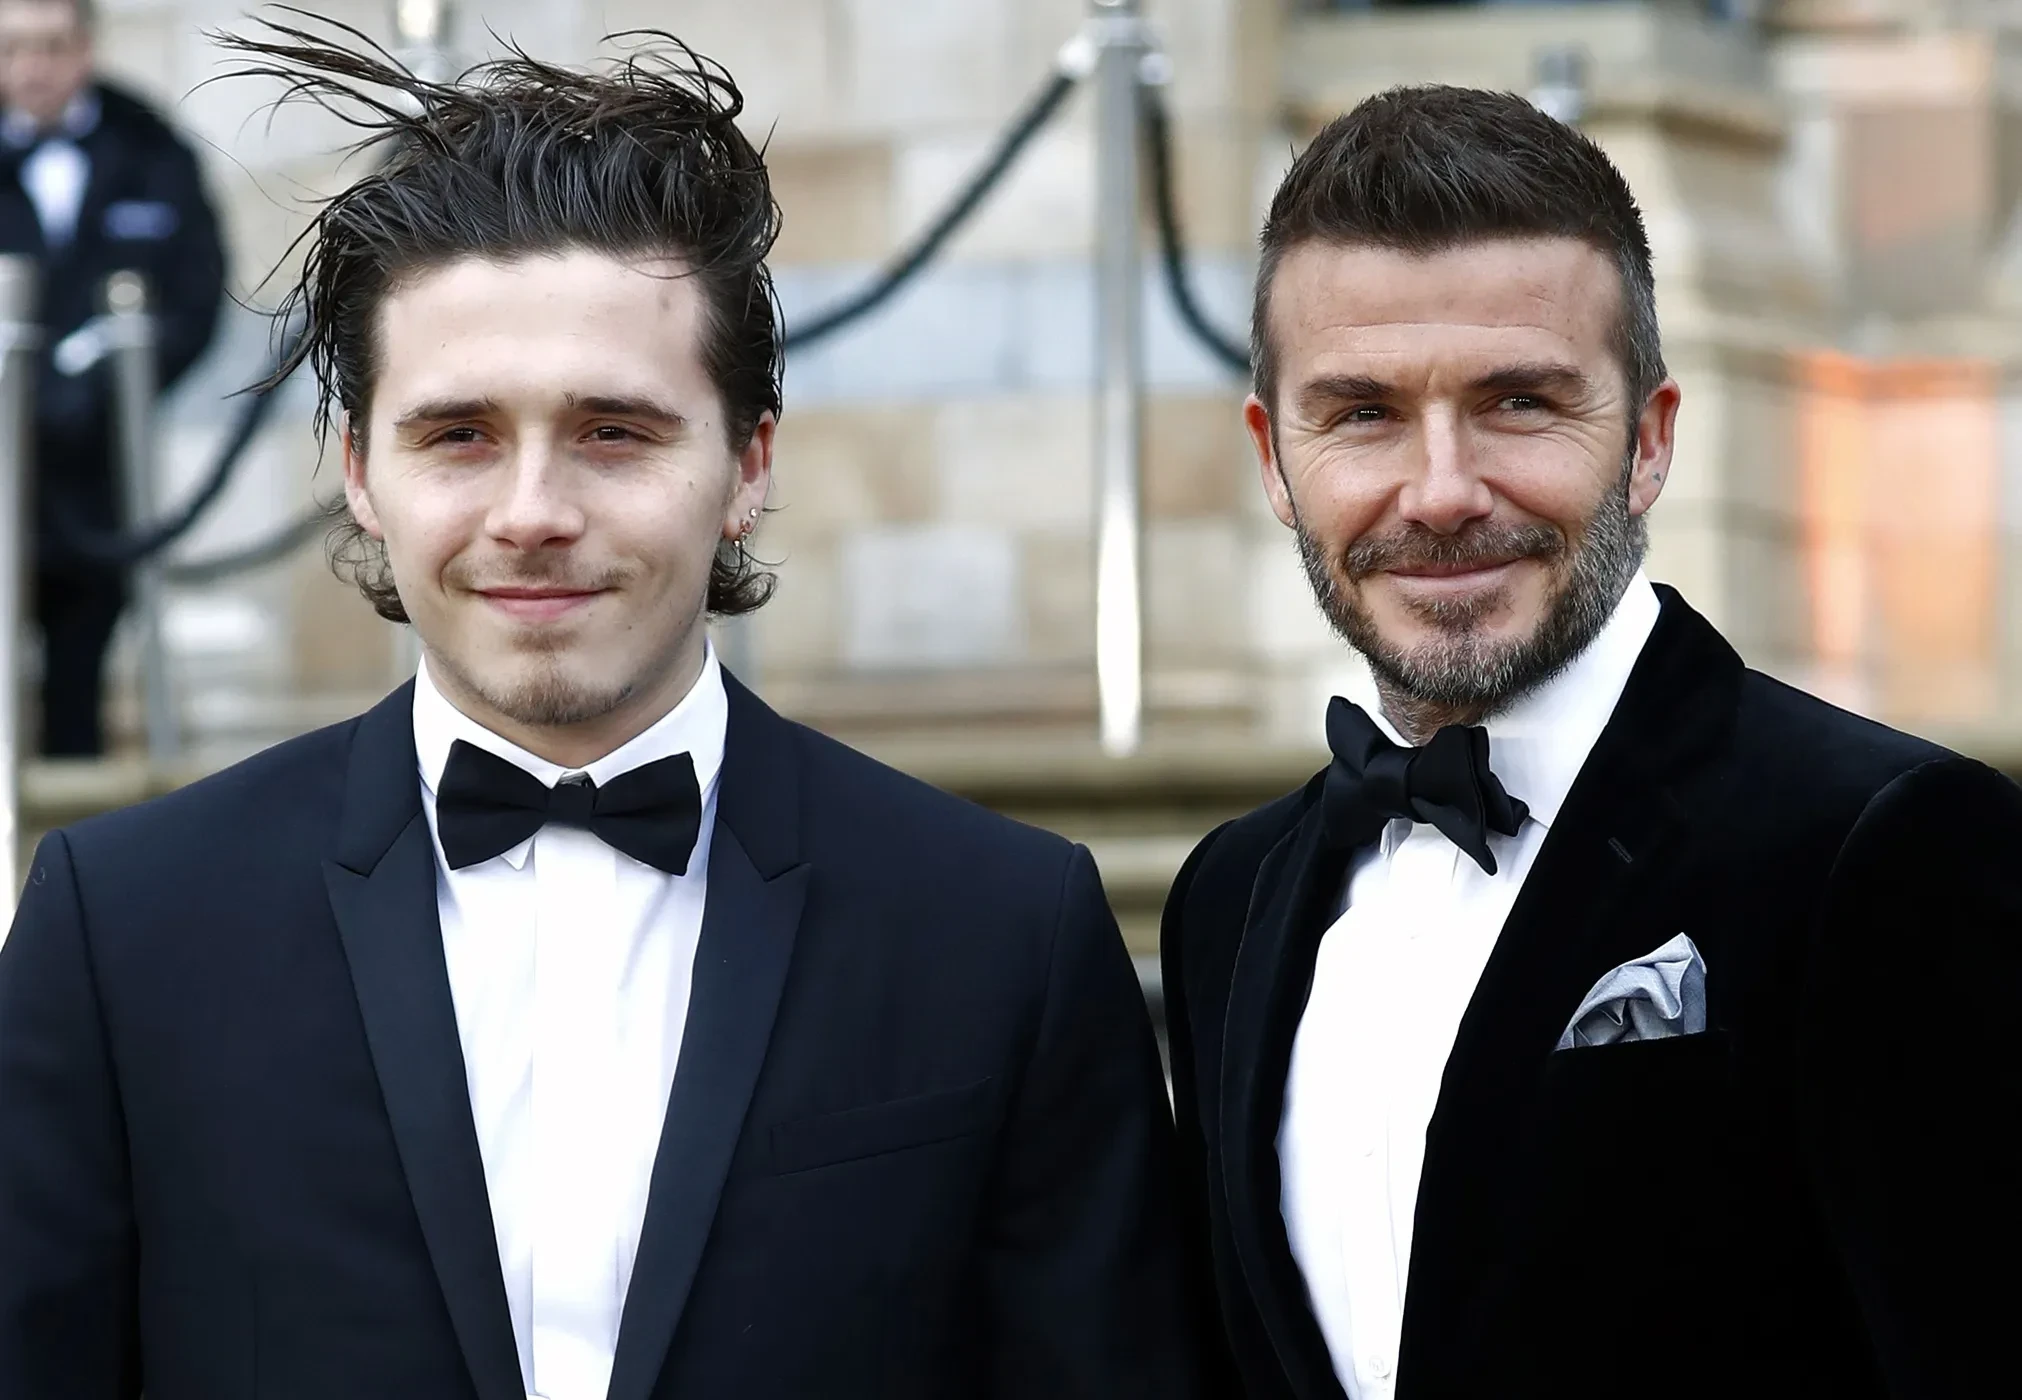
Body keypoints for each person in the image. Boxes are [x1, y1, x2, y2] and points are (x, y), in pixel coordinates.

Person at [0, 25, 1205, 1400]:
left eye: (615, 432)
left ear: (748, 462)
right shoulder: (123, 930)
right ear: (360, 471)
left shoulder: (1002, 931)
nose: (532, 514)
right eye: (458, 434)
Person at [1162, 85, 2021, 1400]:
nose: (1441, 492)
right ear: (1275, 459)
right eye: (1362, 413)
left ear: (1649, 440)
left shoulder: (1887, 845)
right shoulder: (1228, 898)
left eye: (1518, 402)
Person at [0, 0, 225, 756]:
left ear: (85, 49)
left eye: (51, 46)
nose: (32, 68)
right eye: (12, 49)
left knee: (79, 685)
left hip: (99, 477)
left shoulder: (149, 147)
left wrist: (106, 392)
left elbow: (195, 297)